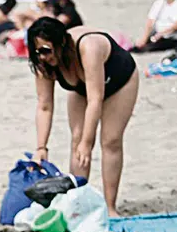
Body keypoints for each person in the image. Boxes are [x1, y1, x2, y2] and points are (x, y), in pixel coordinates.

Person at [28, 17, 139, 217]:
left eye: (45, 50)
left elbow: (95, 100)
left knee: (110, 140)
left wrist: (88, 143)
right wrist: (41, 147)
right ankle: (78, 203)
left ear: (61, 43)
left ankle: (110, 207)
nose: (42, 56)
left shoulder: (88, 47)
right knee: (77, 140)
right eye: (37, 52)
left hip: (119, 81)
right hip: (82, 87)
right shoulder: (43, 63)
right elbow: (44, 106)